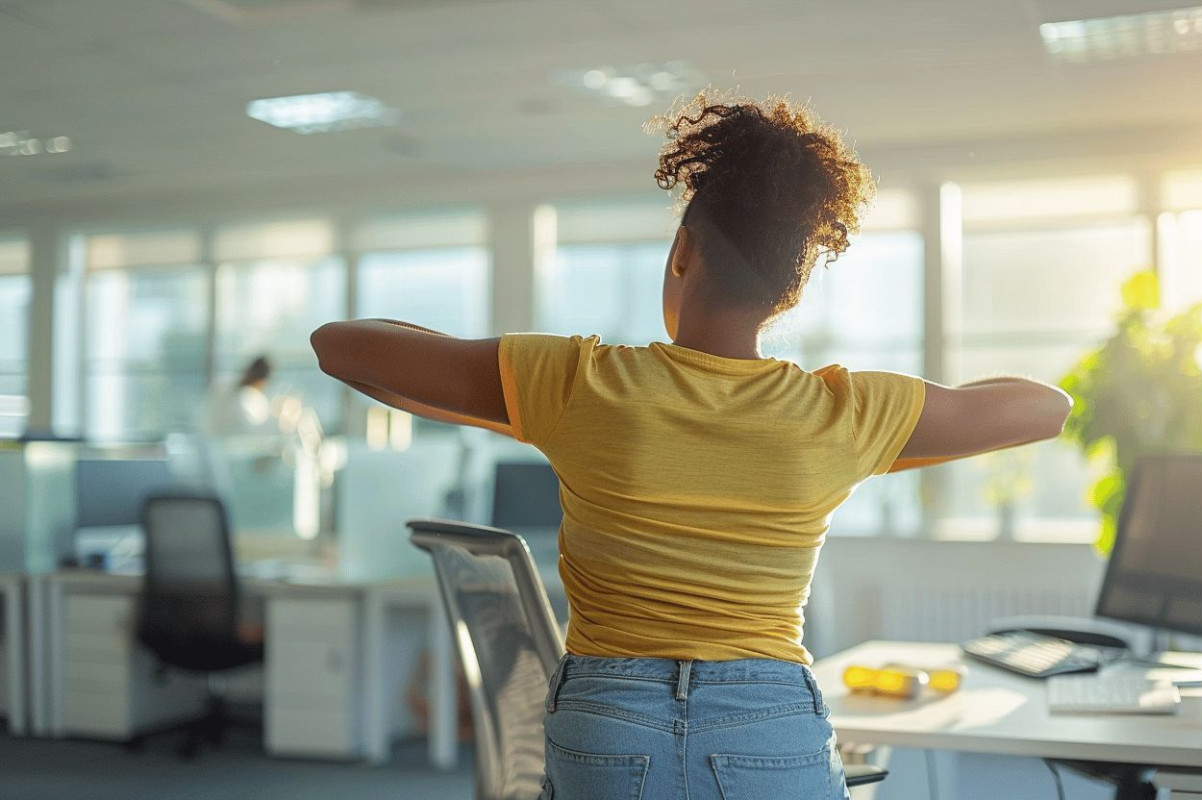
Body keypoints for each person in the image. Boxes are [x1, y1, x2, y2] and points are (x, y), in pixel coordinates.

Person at [311, 92, 1071, 800]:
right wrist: (891, 420)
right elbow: (1046, 408)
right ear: (790, 291)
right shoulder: (844, 414)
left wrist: (505, 386)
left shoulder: (581, 383)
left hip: (608, 725)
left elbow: (342, 346)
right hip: (770, 725)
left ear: (682, 252)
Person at [204, 355, 276, 436]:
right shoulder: (250, 398)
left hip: (211, 437)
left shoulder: (222, 383)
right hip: (232, 440)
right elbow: (253, 431)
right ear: (261, 381)